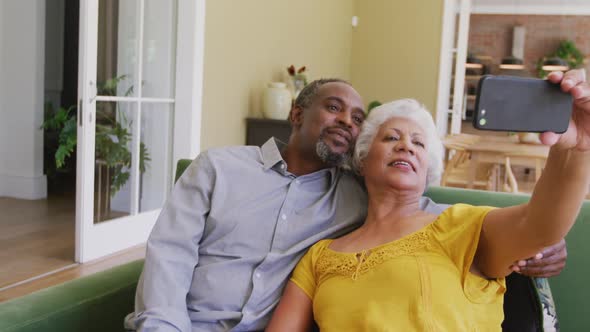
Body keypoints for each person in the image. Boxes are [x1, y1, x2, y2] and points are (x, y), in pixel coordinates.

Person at [125, 78, 567, 331]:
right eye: (333, 107)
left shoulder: (373, 198)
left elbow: (420, 212)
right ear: (297, 113)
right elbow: (170, 255)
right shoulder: (218, 168)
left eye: (357, 118)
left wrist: (537, 241)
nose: (346, 122)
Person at [266, 69, 589, 331]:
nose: (406, 146)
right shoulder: (320, 257)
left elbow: (540, 226)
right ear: (362, 159)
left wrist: (575, 150)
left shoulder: (460, 225)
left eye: (418, 144)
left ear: (427, 170)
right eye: (391, 137)